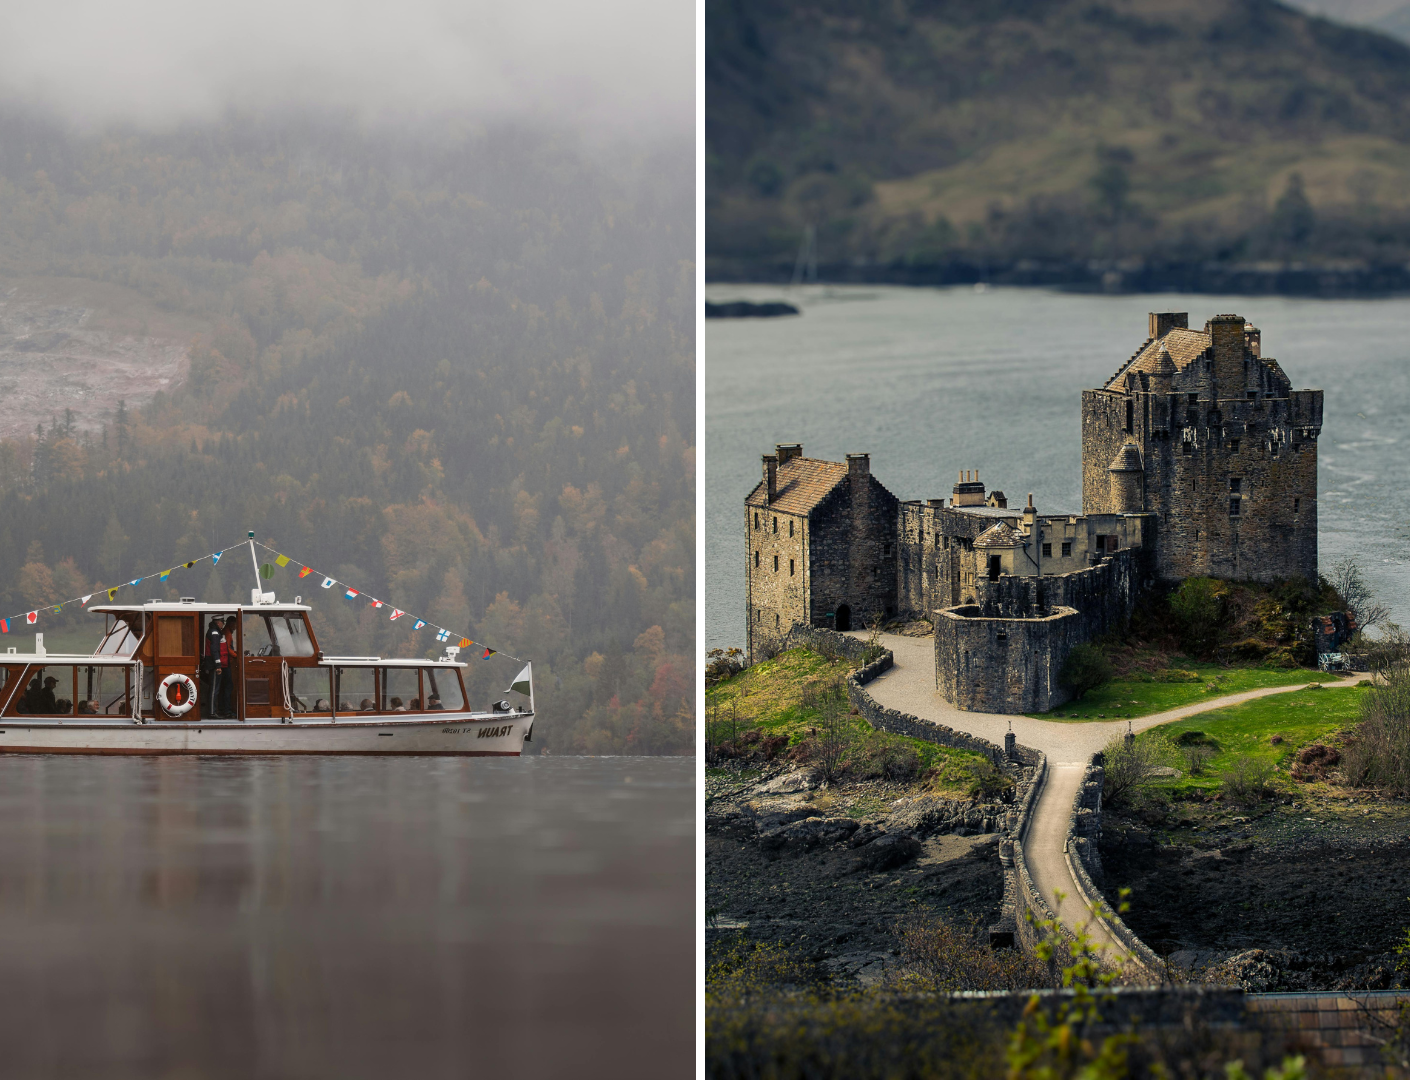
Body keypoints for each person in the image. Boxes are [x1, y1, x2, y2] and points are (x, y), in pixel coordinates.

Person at [217, 617, 238, 718]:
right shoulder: (227, 633)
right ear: (230, 623)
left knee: (224, 687)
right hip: (226, 664)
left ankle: (222, 709)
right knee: (228, 686)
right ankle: (227, 710)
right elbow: (227, 648)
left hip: (224, 663)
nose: (236, 627)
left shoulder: (225, 632)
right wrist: (236, 655)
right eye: (235, 624)